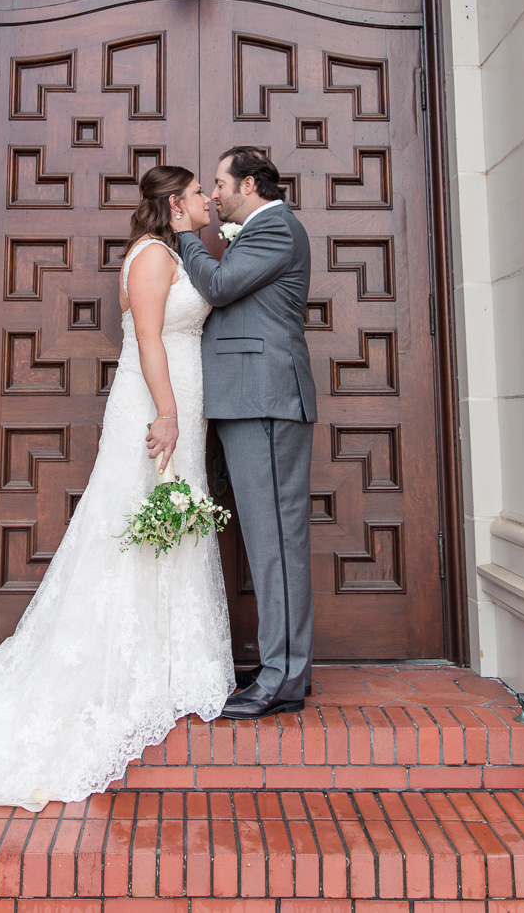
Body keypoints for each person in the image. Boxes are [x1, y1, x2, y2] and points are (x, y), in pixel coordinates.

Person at [0, 165, 233, 812]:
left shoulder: (174, 252)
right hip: (155, 405)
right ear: (175, 203)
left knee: (175, 520)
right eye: (198, 193)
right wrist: (166, 412)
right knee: (135, 519)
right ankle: (128, 660)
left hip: (183, 404)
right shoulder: (149, 258)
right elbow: (146, 338)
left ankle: (175, 659)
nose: (207, 201)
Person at [173, 147, 316, 719]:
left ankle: (282, 677)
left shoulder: (276, 226)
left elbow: (222, 286)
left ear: (250, 184)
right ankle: (287, 667)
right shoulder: (255, 229)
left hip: (266, 400)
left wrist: (186, 237)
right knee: (268, 541)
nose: (212, 193)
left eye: (220, 182)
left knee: (276, 543)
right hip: (248, 399)